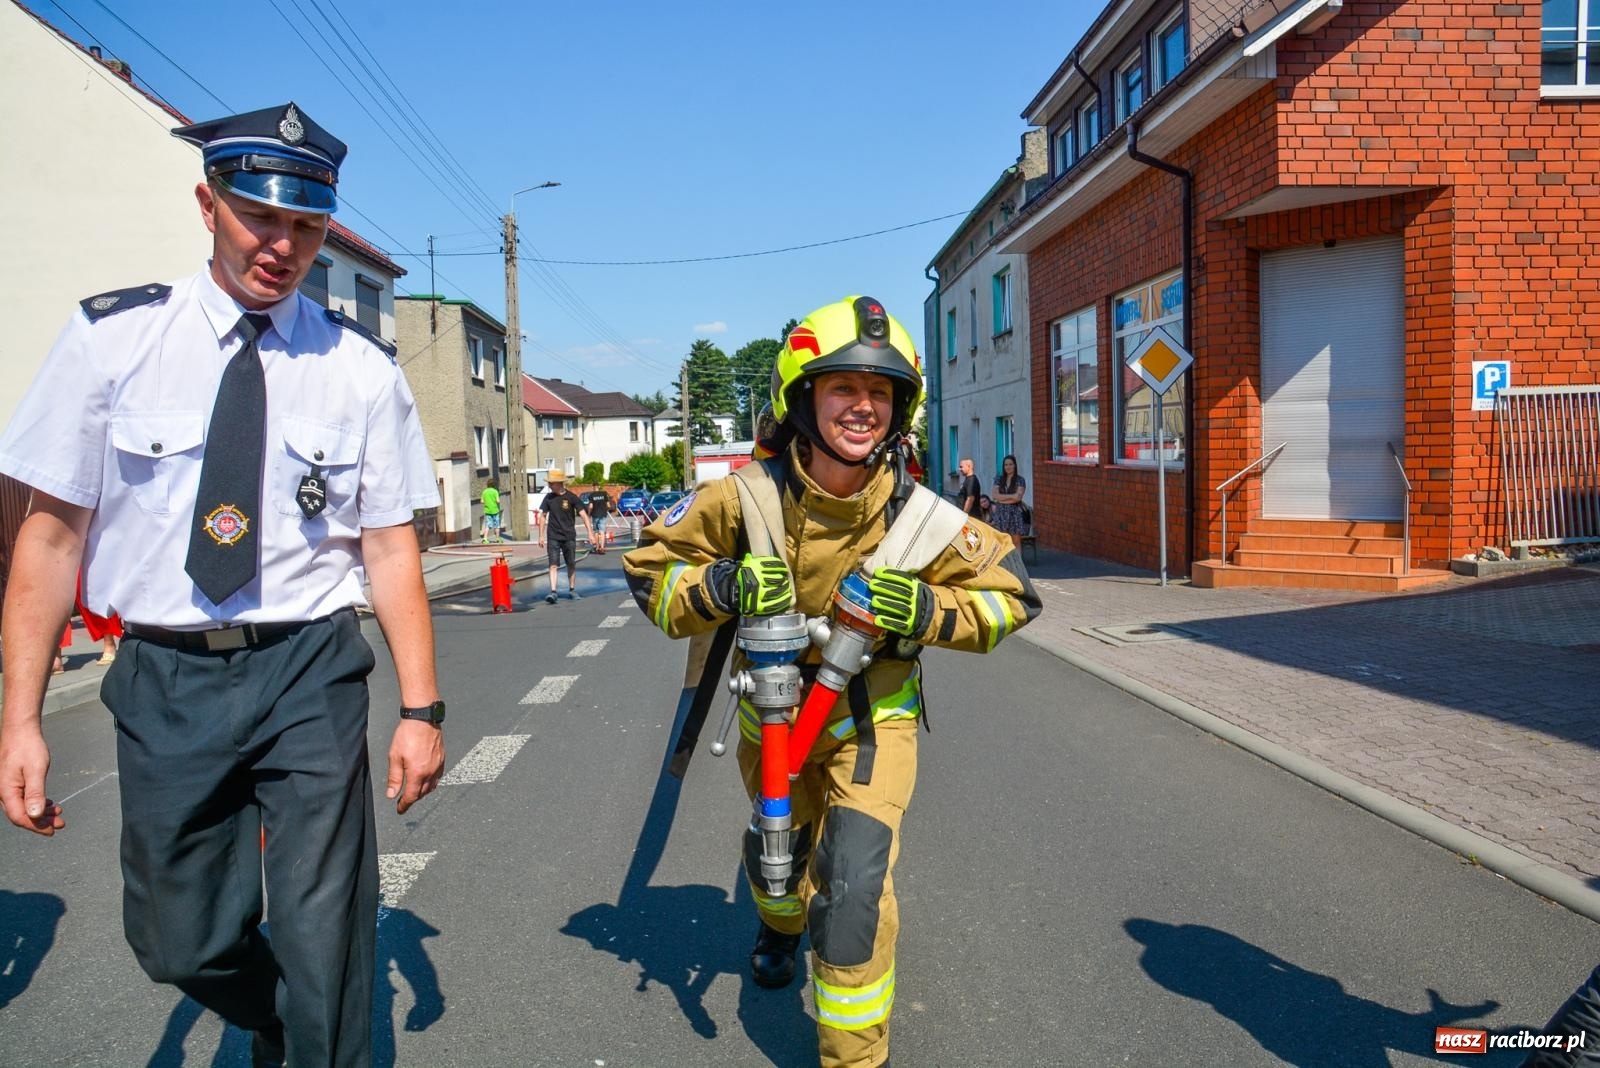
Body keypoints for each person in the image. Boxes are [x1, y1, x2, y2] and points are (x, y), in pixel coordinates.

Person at [0, 102, 446, 1068]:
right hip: (164, 675)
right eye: (260, 216)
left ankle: (319, 1033)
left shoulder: (359, 370)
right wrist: (21, 720)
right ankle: (275, 1014)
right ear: (209, 204)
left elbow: (390, 548)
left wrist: (421, 708)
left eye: (308, 226)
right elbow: (46, 543)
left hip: (308, 668)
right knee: (177, 941)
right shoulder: (110, 342)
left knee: (328, 934)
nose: (282, 245)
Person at [623, 296, 1041, 1068]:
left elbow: (1012, 597)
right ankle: (778, 924)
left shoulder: (923, 519)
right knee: (777, 865)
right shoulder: (742, 497)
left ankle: (853, 1057)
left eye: (880, 392)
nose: (862, 407)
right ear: (802, 398)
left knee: (850, 891)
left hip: (871, 722)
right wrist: (720, 586)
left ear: (901, 409)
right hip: (770, 727)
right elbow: (649, 569)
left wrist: (921, 609)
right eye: (843, 386)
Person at [537, 469, 593, 603]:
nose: (550, 486)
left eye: (552, 483)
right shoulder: (548, 498)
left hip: (568, 536)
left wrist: (590, 533)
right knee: (553, 564)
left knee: (571, 563)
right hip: (553, 536)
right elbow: (543, 516)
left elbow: (584, 515)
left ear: (559, 483)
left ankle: (572, 589)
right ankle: (553, 592)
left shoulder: (572, 497)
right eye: (549, 483)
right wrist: (541, 535)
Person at [988, 454, 1029, 549]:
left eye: (1010, 464)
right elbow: (995, 496)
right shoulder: (998, 479)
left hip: (1015, 514)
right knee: (1001, 542)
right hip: (1001, 513)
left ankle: (1017, 563)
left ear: (1015, 465)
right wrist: (1011, 497)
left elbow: (1018, 498)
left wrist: (1001, 499)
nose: (1008, 467)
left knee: (1016, 542)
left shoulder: (1020, 480)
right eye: (1006, 465)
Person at [585, 483, 612, 554]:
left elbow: (590, 506)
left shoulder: (591, 495)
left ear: (593, 487)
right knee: (602, 531)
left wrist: (589, 514)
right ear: (599, 487)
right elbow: (608, 505)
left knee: (596, 531)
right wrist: (605, 510)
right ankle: (602, 548)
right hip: (603, 515)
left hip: (595, 515)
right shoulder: (604, 494)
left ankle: (597, 547)